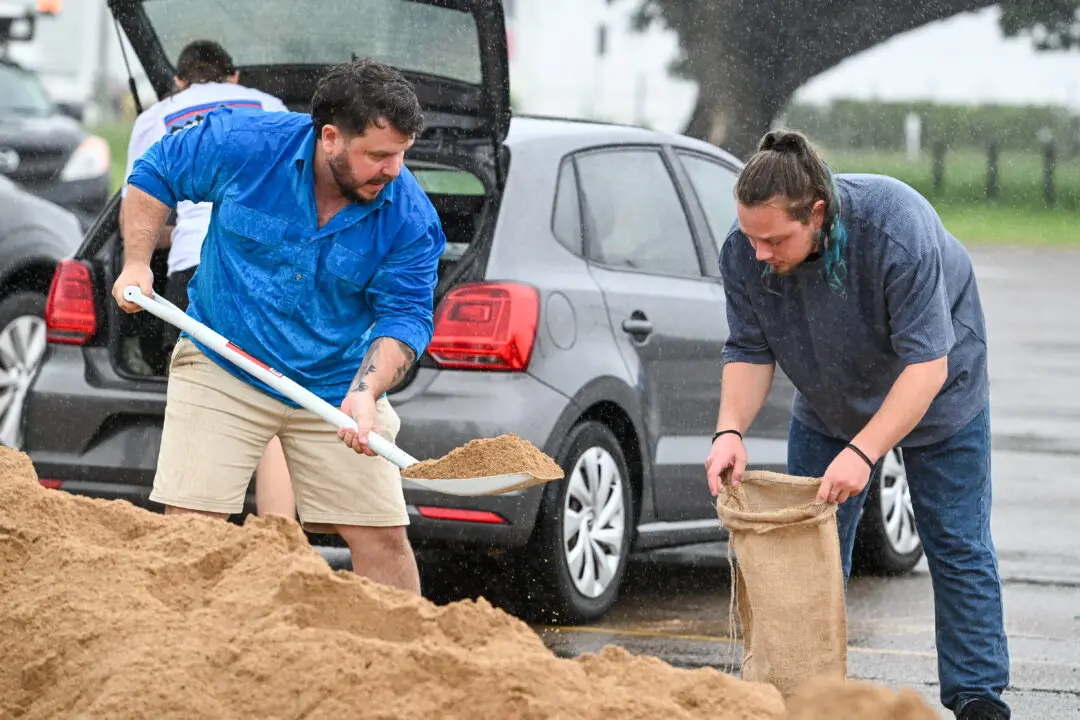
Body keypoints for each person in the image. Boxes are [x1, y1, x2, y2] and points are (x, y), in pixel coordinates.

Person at [704, 130, 1011, 720]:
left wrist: (865, 452)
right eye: (750, 236)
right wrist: (729, 433)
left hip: (941, 391)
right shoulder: (745, 251)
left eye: (774, 239)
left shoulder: (898, 227)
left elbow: (927, 364)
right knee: (806, 550)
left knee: (956, 541)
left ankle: (978, 698)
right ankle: (805, 694)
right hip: (828, 397)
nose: (759, 252)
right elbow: (748, 350)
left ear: (816, 212)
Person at [112, 58, 445, 595]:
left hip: (336, 382)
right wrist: (137, 263)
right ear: (331, 138)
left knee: (383, 539)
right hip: (224, 359)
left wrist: (365, 394)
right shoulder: (246, 144)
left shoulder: (408, 216)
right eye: (378, 155)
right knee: (190, 529)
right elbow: (156, 171)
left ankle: (400, 658)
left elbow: (405, 316)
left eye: (401, 155)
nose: (392, 170)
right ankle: (177, 657)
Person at [119, 39, 295, 520]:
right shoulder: (271, 106)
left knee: (206, 397)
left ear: (178, 80)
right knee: (270, 394)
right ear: (233, 76)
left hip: (195, 269)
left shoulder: (158, 117)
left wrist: (164, 240)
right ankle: (278, 534)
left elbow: (140, 202)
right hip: (262, 268)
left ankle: (198, 525)